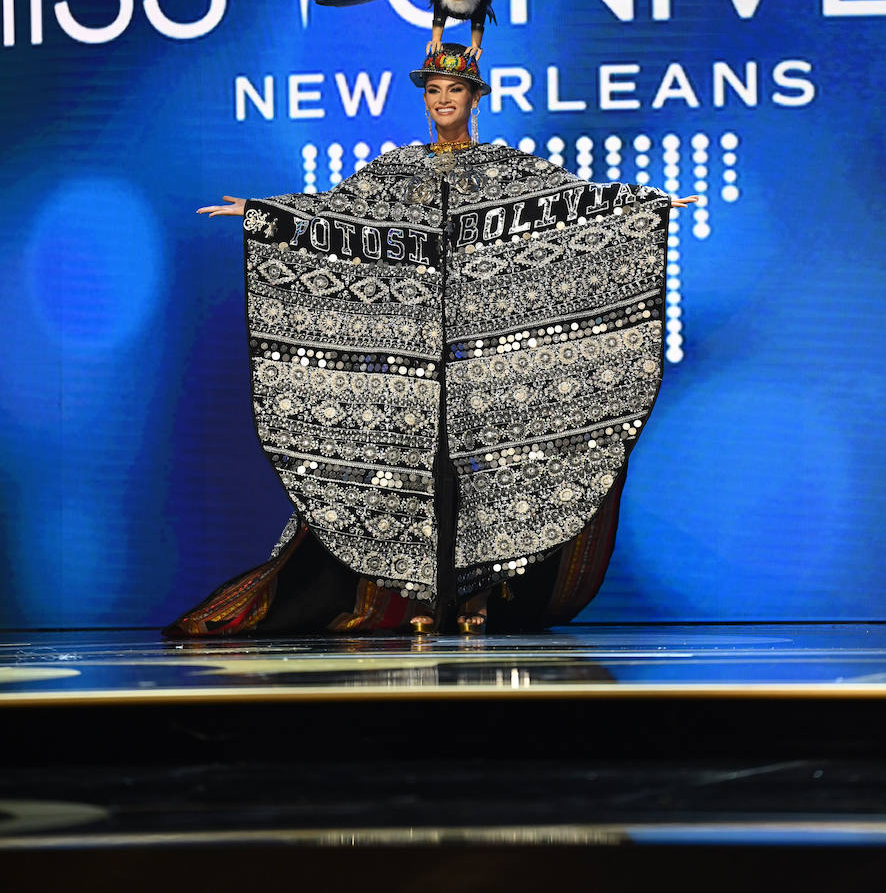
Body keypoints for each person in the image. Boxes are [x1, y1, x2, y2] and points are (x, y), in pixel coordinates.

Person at [164, 43, 695, 638]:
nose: (443, 100)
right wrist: (264, 212)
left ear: (475, 98)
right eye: (434, 91)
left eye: (455, 91)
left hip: (486, 355)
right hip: (413, 357)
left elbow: (570, 202)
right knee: (413, 473)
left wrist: (641, 205)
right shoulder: (398, 169)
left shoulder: (506, 168)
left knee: (494, 473)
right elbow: (339, 212)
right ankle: (417, 597)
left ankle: (478, 597)